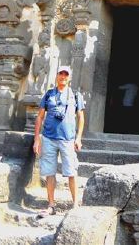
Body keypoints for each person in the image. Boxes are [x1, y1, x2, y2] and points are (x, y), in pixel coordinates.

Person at [33, 65, 85, 216]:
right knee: (49, 172)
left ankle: (75, 205)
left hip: (67, 139)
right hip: (48, 138)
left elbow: (81, 117)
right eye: (60, 74)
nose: (63, 77)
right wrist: (37, 139)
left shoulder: (75, 95)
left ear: (69, 77)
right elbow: (40, 116)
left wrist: (79, 137)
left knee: (71, 172)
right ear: (56, 76)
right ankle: (51, 205)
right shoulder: (49, 94)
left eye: (65, 74)